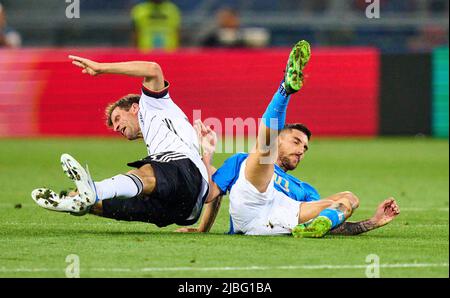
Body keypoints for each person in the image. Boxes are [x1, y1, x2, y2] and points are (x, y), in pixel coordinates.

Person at [179, 40, 400, 237]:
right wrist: (207, 154)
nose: (301, 149)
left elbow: (333, 224)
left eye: (305, 147)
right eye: (296, 141)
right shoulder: (240, 162)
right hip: (252, 205)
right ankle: (285, 89)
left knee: (348, 198)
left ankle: (310, 232)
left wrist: (373, 222)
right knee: (263, 153)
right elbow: (209, 195)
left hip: (282, 220)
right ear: (280, 140)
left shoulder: (304, 189)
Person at [31, 55, 210, 228]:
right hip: (185, 208)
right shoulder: (167, 134)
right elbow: (211, 183)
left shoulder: (152, 104)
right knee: (116, 205)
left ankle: (94, 190)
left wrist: (101, 68)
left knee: (145, 173)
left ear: (134, 108)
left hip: (184, 177)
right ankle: (74, 199)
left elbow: (153, 69)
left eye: (117, 118)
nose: (116, 128)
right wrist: (203, 228)